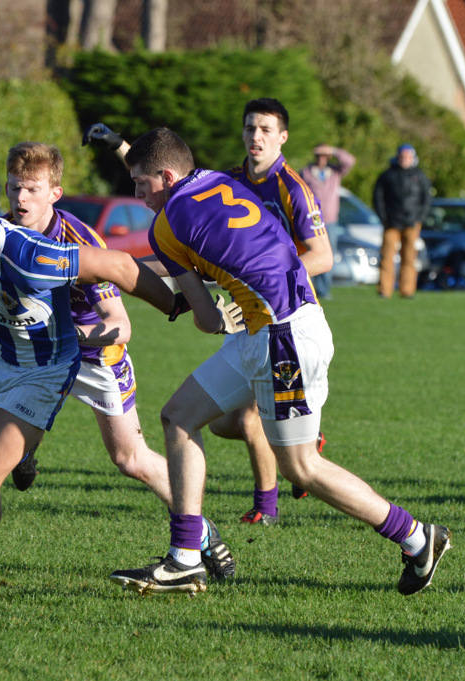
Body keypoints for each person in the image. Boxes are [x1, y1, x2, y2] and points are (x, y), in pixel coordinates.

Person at [105, 128, 451, 597]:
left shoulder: (166, 225)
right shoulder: (215, 181)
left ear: (165, 177)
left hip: (280, 338)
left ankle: (416, 536)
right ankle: (185, 557)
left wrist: (188, 305)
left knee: (301, 467)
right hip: (275, 326)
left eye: (142, 185)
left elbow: (207, 321)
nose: (138, 195)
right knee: (179, 416)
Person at [0, 142, 235, 584]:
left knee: (130, 458)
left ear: (54, 193)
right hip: (19, 352)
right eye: (14, 188)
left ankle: (200, 529)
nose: (21, 199)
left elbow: (120, 324)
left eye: (32, 190)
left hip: (95, 353)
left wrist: (175, 307)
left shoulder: (68, 245)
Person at [84, 98, 332, 526]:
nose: (256, 136)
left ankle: (269, 503)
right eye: (249, 127)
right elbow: (164, 180)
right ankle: (290, 445)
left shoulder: (292, 188)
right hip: (249, 313)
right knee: (213, 422)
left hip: (281, 315)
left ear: (283, 137)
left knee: (271, 438)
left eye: (266, 130)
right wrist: (122, 147)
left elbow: (322, 256)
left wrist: (258, 283)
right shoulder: (226, 178)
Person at [372, 144, 432, 299]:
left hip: (412, 223)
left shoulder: (419, 176)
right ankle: (384, 290)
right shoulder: (387, 175)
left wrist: (420, 218)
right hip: (391, 222)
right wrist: (384, 217)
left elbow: (426, 199)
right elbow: (378, 197)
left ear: (413, 158)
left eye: (407, 156)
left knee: (409, 257)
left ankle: (407, 290)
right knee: (386, 256)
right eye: (402, 156)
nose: (404, 159)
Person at [301, 144, 355, 300]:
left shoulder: (335, 172)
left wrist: (333, 150)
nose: (321, 159)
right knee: (309, 253)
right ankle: (308, 289)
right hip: (311, 220)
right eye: (319, 155)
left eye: (325, 156)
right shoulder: (306, 172)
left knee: (328, 254)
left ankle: (324, 290)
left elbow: (350, 161)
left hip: (330, 220)